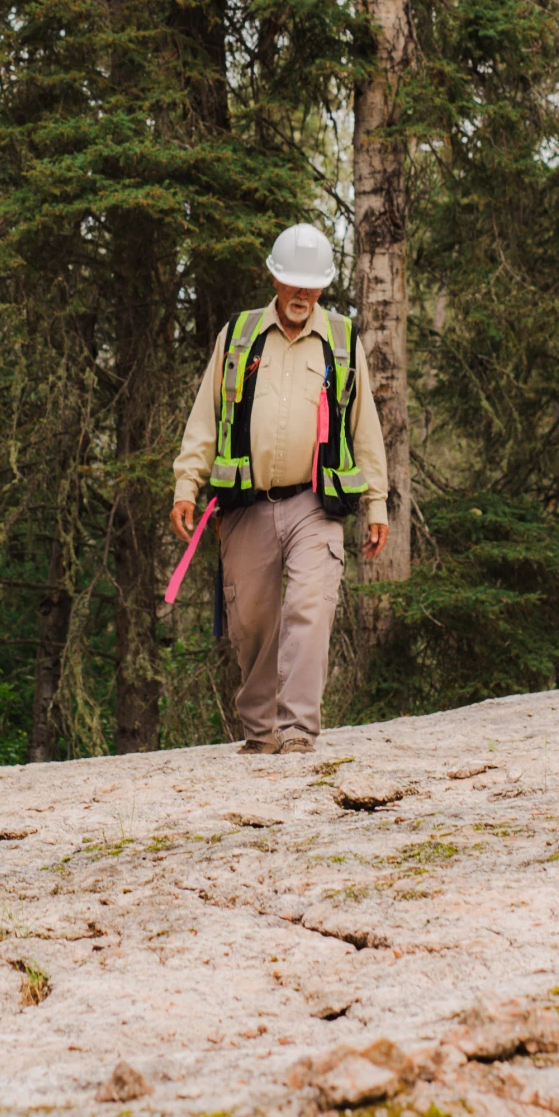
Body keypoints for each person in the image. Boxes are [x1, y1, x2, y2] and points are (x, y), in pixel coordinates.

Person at [170, 224, 389, 754]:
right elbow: (206, 416)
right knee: (252, 622)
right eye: (293, 282)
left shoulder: (341, 340)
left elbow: (366, 425)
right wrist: (186, 484)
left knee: (311, 607)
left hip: (316, 505)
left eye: (312, 284)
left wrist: (376, 502)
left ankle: (298, 732)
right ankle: (261, 732)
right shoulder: (238, 336)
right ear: (274, 276)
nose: (302, 294)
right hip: (245, 507)